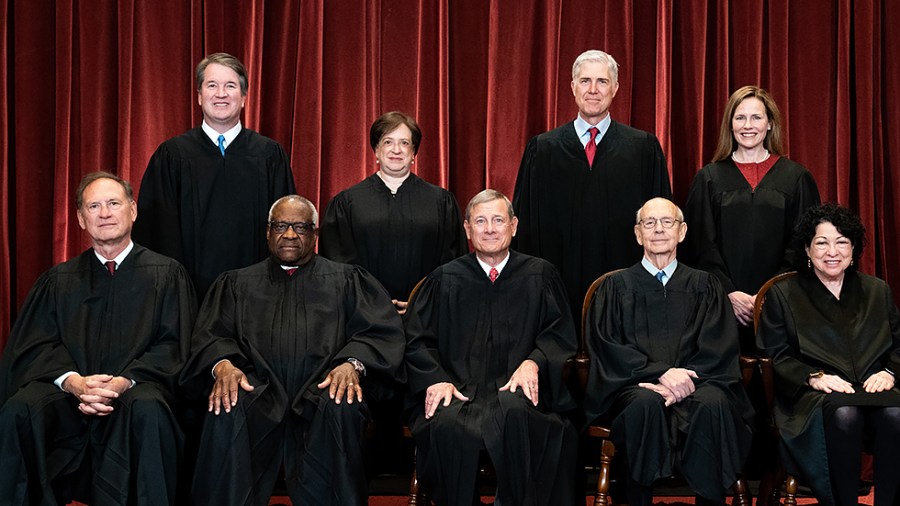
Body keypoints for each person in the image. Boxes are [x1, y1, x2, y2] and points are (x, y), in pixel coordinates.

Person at [181, 195, 406, 505]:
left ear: (315, 234)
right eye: (280, 226)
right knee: (227, 403)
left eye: (300, 227)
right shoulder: (236, 284)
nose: (289, 234)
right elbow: (210, 334)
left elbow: (380, 332)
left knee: (341, 403)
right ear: (267, 232)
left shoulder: (348, 280)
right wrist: (223, 365)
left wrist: (352, 364)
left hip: (322, 391)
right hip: (257, 392)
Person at [0, 172, 197, 505]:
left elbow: (174, 345)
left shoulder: (167, 275)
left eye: (113, 203)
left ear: (133, 211)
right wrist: (73, 382)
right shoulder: (58, 280)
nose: (104, 213)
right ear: (80, 218)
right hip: (69, 399)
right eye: (94, 206)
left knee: (151, 409)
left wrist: (122, 383)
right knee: (19, 410)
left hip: (134, 393)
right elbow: (35, 345)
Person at [404, 189, 578, 506]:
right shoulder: (445, 279)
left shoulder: (540, 275)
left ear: (514, 225)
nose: (489, 229)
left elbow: (560, 334)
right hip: (458, 390)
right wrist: (436, 378)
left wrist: (535, 362)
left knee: (520, 416)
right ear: (468, 230)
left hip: (518, 390)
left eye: (498, 220)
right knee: (446, 424)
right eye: (480, 221)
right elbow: (417, 340)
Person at [583, 197, 753, 506]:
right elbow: (607, 347)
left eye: (667, 222)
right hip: (636, 386)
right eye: (650, 223)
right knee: (644, 404)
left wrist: (681, 386)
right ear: (638, 233)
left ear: (682, 231)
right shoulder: (615, 287)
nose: (659, 230)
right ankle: (638, 500)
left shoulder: (706, 285)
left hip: (699, 383)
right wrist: (660, 373)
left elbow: (719, 346)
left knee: (713, 403)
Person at [512, 49, 671, 324]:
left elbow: (661, 226)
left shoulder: (643, 149)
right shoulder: (543, 149)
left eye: (602, 81)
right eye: (585, 81)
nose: (593, 90)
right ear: (573, 87)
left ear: (616, 88)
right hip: (557, 288)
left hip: (627, 292)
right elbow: (524, 227)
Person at [756, 203, 900, 506]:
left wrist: (890, 373)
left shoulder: (877, 291)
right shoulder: (784, 295)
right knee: (846, 415)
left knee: (895, 414)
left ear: (853, 249)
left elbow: (899, 345)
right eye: (821, 242)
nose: (831, 251)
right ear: (807, 250)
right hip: (815, 394)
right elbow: (776, 355)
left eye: (841, 242)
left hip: (873, 387)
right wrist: (813, 378)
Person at [133, 52, 296, 299]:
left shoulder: (269, 156)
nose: (221, 93)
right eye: (212, 85)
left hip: (258, 295)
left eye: (230, 86)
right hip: (187, 296)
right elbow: (154, 232)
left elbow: (286, 227)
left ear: (243, 97)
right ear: (199, 97)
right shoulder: (172, 156)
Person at [683, 85, 820, 352]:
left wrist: (769, 293)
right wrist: (729, 294)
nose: (748, 125)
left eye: (756, 117)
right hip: (720, 306)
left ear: (770, 123)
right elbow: (701, 246)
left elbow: (804, 245)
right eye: (740, 117)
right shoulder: (709, 178)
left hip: (781, 303)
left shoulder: (796, 178)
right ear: (730, 124)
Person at [319, 111, 467, 313]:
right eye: (388, 142)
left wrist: (420, 302)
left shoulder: (441, 202)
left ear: (414, 153)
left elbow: (452, 264)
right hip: (365, 317)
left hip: (427, 316)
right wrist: (372, 304)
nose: (396, 149)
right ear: (376, 151)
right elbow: (338, 267)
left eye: (405, 143)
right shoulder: (347, 203)